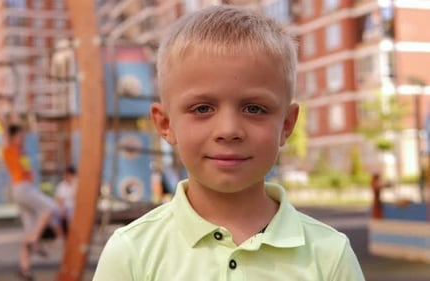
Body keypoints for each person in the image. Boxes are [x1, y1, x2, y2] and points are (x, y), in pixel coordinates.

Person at [93, 5, 365, 280]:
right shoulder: (132, 252)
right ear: (165, 123)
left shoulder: (329, 255)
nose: (229, 130)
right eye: (202, 108)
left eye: (254, 109)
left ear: (286, 124)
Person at [0, 99, 61, 280]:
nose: (23, 137)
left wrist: (14, 104)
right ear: (13, 136)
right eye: (20, 135)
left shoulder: (20, 149)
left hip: (26, 189)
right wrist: (0, 107)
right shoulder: (9, 149)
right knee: (51, 208)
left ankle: (25, 268)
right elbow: (6, 127)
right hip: (22, 188)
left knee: (29, 229)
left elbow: (15, 123)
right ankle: (35, 241)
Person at [55, 165, 77, 234]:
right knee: (55, 218)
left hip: (74, 208)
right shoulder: (61, 185)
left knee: (71, 216)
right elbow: (59, 200)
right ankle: (61, 237)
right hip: (64, 209)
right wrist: (62, 210)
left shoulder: (76, 184)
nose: (66, 176)